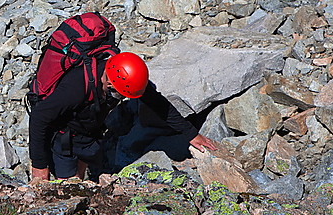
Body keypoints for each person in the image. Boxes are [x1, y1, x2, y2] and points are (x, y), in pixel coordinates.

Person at [29, 51, 217, 181]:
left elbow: (159, 105)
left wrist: (191, 134)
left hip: (88, 132)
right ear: (110, 83)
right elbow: (39, 118)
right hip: (64, 136)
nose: (123, 98)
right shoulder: (76, 88)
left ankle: (81, 181)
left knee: (81, 171)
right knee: (67, 186)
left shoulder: (125, 75)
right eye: (122, 94)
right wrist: (39, 166)